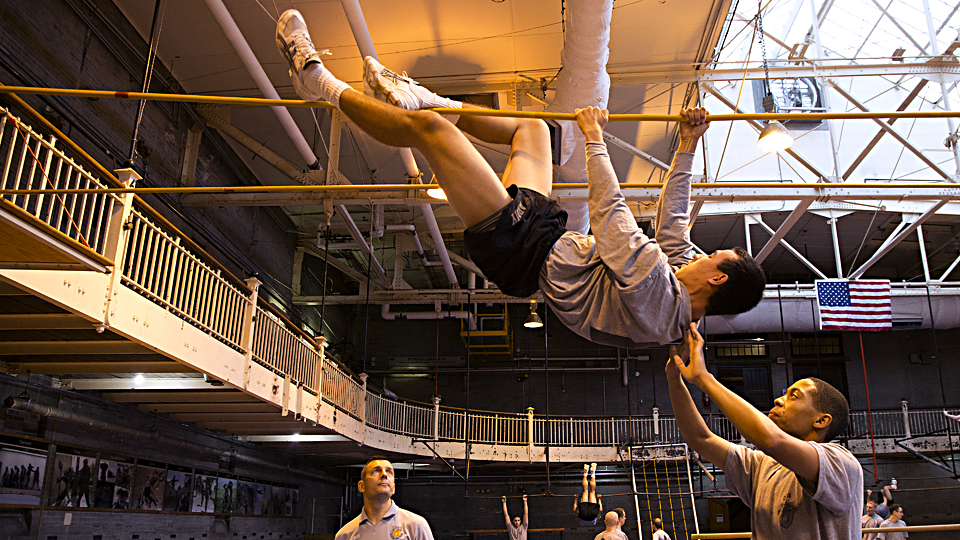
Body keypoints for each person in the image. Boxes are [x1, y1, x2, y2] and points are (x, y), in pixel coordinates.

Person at [274, 10, 765, 350]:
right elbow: (675, 221)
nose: (700, 254)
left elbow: (614, 219)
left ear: (716, 278)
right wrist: (686, 145)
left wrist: (594, 138)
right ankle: (421, 96)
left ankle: (316, 81)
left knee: (432, 136)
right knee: (534, 129)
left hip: (523, 255)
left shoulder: (661, 301)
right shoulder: (682, 281)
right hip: (547, 234)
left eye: (712, 258)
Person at [667, 323, 863, 538]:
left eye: (793, 396)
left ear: (821, 420)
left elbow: (772, 440)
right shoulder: (763, 465)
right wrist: (674, 378)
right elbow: (700, 438)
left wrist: (704, 378)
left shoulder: (841, 463)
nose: (779, 400)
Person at [335, 457, 434, 540]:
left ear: (393, 488)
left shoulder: (416, 525)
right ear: (361, 486)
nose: (384, 474)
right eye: (376, 471)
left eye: (389, 471)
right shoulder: (345, 534)